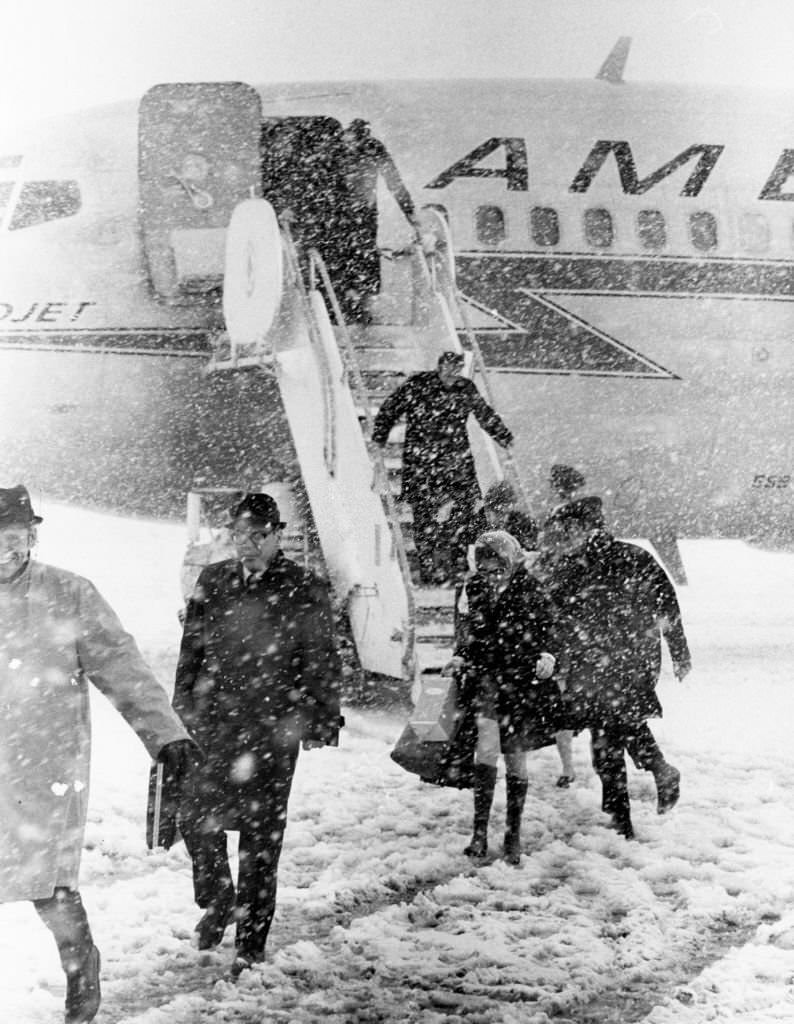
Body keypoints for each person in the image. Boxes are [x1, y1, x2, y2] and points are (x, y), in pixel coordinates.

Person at [0, 485, 193, 1024]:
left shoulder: (68, 593)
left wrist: (165, 733)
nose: (9, 552)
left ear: (33, 536)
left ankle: (82, 971)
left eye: (18, 539)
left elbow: (122, 667)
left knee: (50, 888)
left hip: (44, 766)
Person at [173, 492, 344, 978]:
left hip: (273, 729)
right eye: (239, 535)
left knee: (260, 836)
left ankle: (251, 941)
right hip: (214, 724)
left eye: (257, 536)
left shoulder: (303, 587)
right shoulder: (214, 579)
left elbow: (321, 657)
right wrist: (179, 712)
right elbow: (192, 650)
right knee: (193, 815)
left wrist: (319, 719)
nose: (246, 545)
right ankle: (219, 897)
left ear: (277, 536)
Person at [541, 496, 692, 839]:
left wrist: (551, 652)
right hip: (632, 661)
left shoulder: (574, 566)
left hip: (599, 663)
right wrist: (680, 653)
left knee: (608, 733)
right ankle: (649, 782)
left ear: (583, 527)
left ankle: (623, 810)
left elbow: (551, 616)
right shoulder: (636, 557)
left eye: (569, 530)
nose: (566, 537)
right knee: (620, 724)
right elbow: (668, 606)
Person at [444, 531, 563, 865]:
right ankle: (479, 831)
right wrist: (460, 656)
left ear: (511, 562)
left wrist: (549, 656)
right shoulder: (474, 588)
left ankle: (513, 832)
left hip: (521, 682)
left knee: (514, 755)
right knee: (485, 748)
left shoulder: (532, 590)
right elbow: (467, 632)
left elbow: (550, 631)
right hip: (485, 678)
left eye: (499, 569)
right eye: (486, 570)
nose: (493, 576)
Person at [372, 350, 514, 586]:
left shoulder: (465, 389)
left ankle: (460, 565)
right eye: (448, 367)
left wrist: (504, 437)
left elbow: (484, 414)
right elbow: (391, 408)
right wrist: (379, 438)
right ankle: (429, 567)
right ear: (439, 367)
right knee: (424, 516)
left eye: (456, 369)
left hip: (456, 463)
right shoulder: (418, 385)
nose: (451, 373)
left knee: (468, 513)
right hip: (422, 465)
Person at [483, 480, 577, 788]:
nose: (496, 514)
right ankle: (515, 768)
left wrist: (548, 649)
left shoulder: (523, 533)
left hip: (533, 638)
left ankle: (568, 766)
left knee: (556, 710)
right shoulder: (487, 536)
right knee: (528, 716)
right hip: (515, 647)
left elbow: (537, 561)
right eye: (493, 509)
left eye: (500, 508)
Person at [340, 118, 420, 322]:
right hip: (350, 211)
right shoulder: (365, 151)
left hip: (359, 211)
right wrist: (410, 212)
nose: (349, 145)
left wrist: (409, 211)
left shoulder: (369, 150)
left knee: (360, 253)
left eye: (351, 141)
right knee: (356, 253)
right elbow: (394, 181)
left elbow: (394, 182)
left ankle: (358, 302)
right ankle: (355, 301)